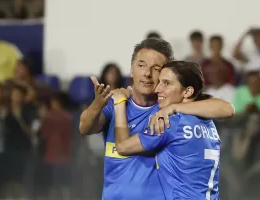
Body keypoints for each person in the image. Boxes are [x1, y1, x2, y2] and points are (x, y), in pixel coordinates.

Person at [79, 38, 234, 200]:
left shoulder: (170, 108)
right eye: (141, 65)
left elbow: (226, 108)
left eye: (156, 68)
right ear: (131, 70)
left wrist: (174, 107)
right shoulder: (116, 102)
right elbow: (84, 127)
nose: (147, 73)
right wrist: (98, 104)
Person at [112, 61, 220, 200]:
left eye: (166, 83)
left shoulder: (171, 123)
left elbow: (122, 147)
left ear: (187, 91)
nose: (157, 89)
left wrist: (119, 103)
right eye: (159, 82)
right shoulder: (209, 123)